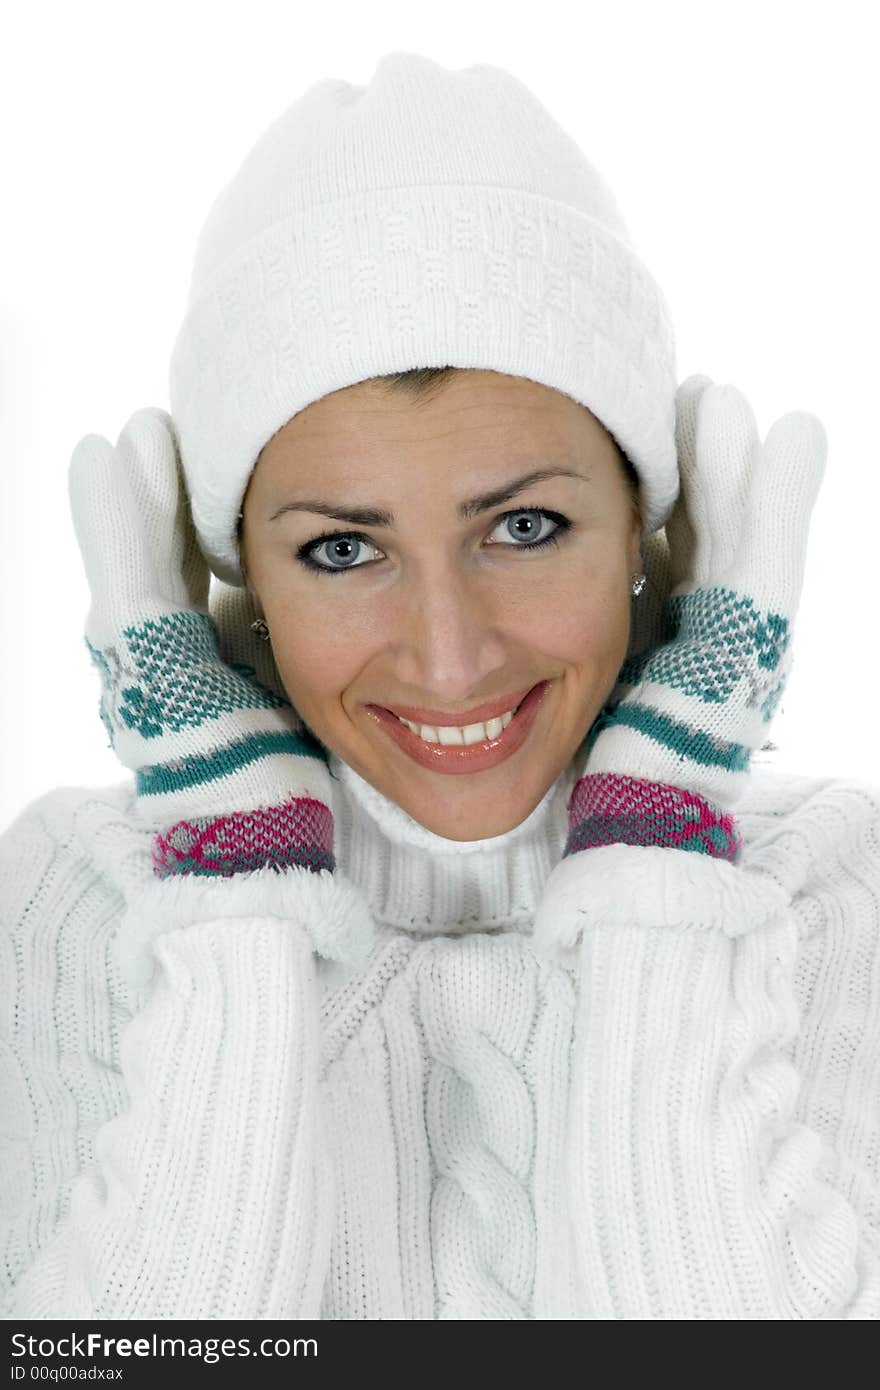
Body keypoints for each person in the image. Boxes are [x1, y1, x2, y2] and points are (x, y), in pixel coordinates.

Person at [2, 51, 878, 1321]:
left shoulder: (828, 884)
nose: (448, 653)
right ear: (233, 573)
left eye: (522, 528)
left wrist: (656, 850)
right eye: (341, 550)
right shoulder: (73, 903)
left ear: (644, 526)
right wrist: (236, 884)